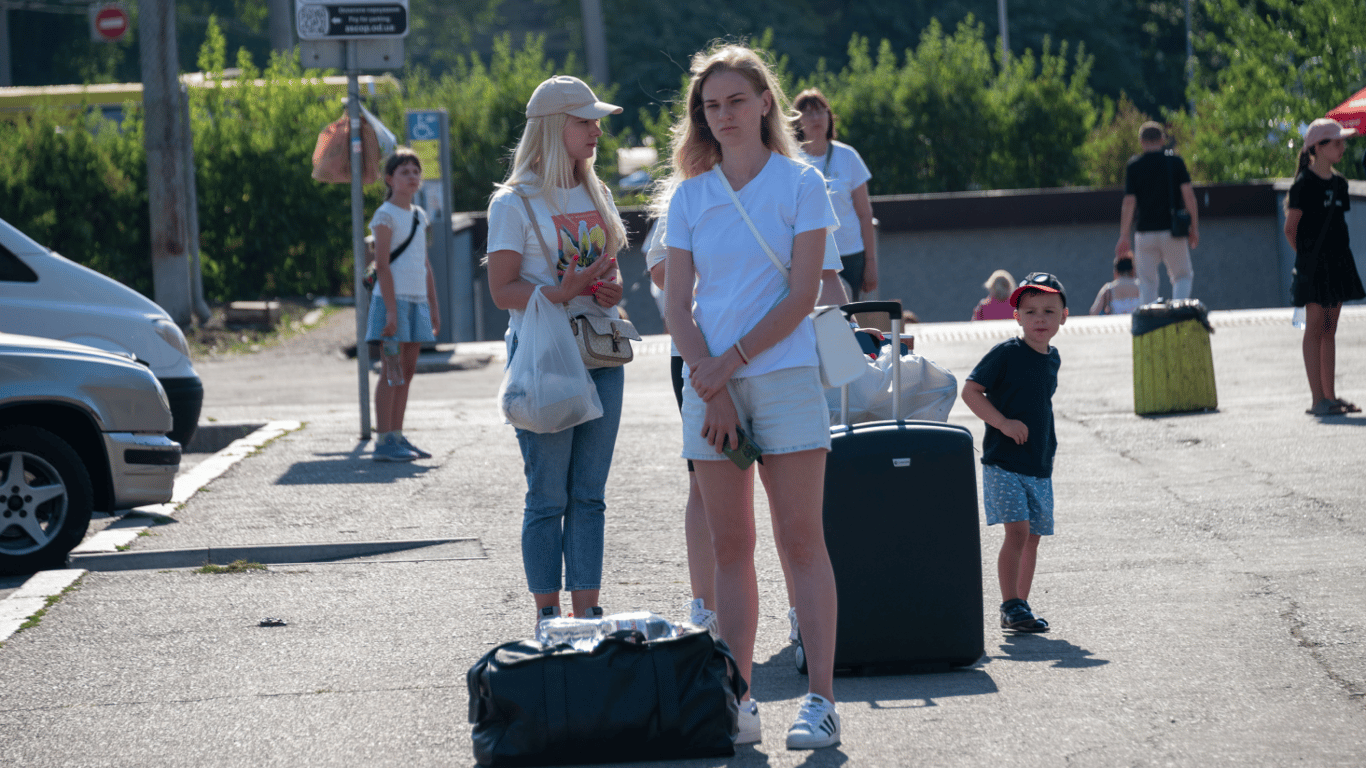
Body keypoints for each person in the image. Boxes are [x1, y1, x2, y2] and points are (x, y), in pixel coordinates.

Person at [657, 43, 843, 750]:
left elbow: (802, 296)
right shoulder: (689, 196)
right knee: (730, 548)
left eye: (736, 100)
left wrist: (726, 364)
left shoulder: (802, 184)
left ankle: (821, 700)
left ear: (766, 102)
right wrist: (711, 381)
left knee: (801, 542)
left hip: (785, 378)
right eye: (711, 105)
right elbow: (676, 305)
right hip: (710, 386)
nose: (724, 114)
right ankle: (739, 700)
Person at [484, 75, 628, 626]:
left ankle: (587, 614)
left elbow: (611, 272)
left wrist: (610, 290)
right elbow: (502, 291)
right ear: (552, 127)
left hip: (601, 352)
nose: (597, 131)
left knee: (590, 495)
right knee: (548, 497)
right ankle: (548, 617)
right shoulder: (513, 201)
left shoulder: (597, 191)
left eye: (596, 122)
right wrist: (560, 294)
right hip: (543, 358)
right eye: (585, 121)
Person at [961, 272, 1067, 635]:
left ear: (1064, 317)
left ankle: (1020, 608)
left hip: (1039, 462)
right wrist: (1003, 423)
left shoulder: (1052, 358)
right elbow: (971, 391)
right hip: (1003, 462)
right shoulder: (1006, 353)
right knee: (1018, 532)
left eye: (1049, 311)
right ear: (1017, 317)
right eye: (1031, 311)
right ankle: (1010, 603)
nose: (1040, 319)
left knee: (1032, 536)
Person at [1284, 118, 1364, 417]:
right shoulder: (1303, 183)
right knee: (1315, 326)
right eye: (1336, 143)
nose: (1342, 148)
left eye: (1343, 142)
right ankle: (1317, 399)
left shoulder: (1340, 183)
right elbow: (1290, 229)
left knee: (1330, 328)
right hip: (1314, 265)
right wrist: (1307, 259)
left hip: (1339, 262)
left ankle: (1330, 397)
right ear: (1317, 147)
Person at [366, 148, 439, 462]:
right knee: (391, 371)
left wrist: (434, 307)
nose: (412, 176)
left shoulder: (420, 216)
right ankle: (383, 441)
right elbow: (382, 265)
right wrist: (392, 312)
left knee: (407, 372)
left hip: (417, 301)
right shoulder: (385, 215)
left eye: (415, 171)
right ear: (389, 179)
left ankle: (397, 435)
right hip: (391, 303)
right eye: (404, 171)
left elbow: (424, 263)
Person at [795, 88, 878, 301]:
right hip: (811, 256)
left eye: (820, 111)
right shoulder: (791, 160)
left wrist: (871, 262)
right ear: (796, 121)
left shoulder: (847, 156)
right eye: (808, 113)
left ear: (829, 117)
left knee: (850, 314)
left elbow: (865, 214)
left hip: (850, 253)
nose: (815, 118)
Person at [1116, 121, 1200, 305]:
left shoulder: (1134, 166)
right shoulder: (1175, 162)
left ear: (1141, 141)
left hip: (1144, 233)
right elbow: (1189, 196)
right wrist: (1194, 227)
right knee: (1182, 276)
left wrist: (1124, 235)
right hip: (1172, 231)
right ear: (1162, 139)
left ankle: (1150, 317)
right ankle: (1178, 312)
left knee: (1147, 283)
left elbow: (1129, 202)